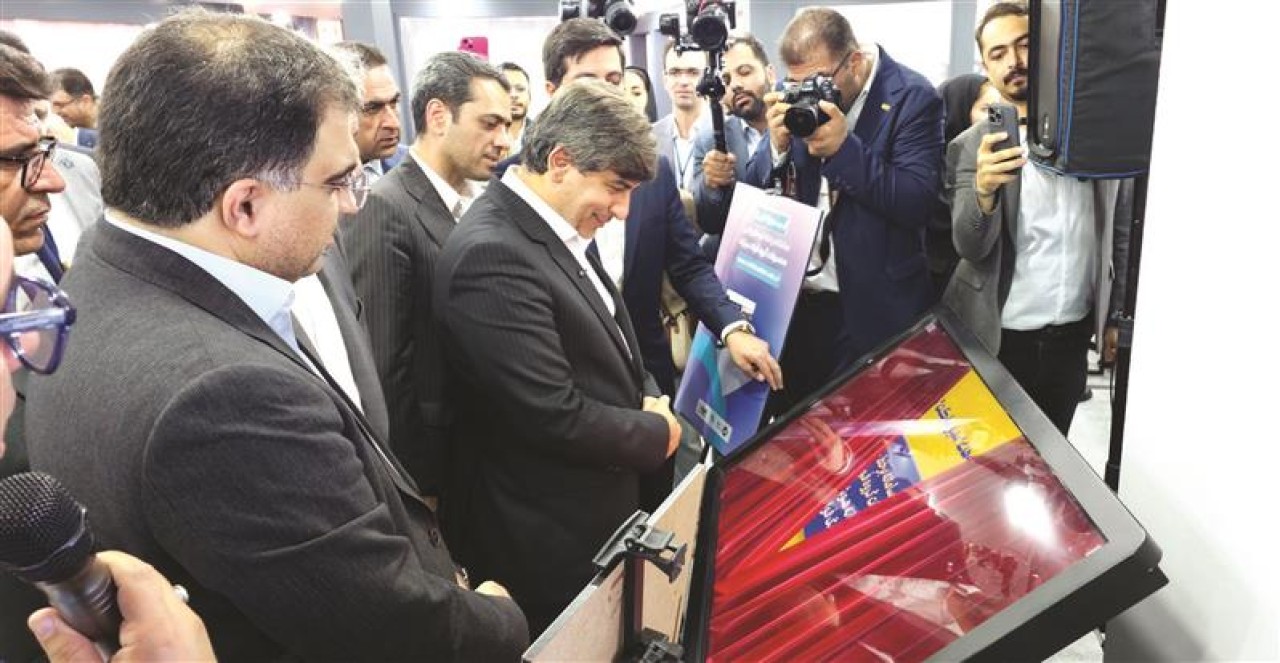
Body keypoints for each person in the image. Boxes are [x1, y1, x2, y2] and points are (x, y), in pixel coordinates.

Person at [25, 11, 527, 659]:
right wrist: (501, 618)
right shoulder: (223, 395)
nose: (352, 203)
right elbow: (382, 623)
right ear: (245, 205)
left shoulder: (102, 263)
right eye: (338, 181)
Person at [436, 79, 680, 636]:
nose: (623, 210)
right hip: (548, 540)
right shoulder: (492, 253)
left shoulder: (552, 228)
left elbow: (614, 337)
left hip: (596, 516)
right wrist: (656, 432)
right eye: (616, 188)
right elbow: (550, 413)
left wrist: (649, 394)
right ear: (561, 161)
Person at [745, 7, 943, 417]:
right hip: (799, 309)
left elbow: (916, 202)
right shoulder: (795, 93)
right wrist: (776, 148)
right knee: (802, 430)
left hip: (875, 311)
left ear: (854, 62)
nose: (806, 93)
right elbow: (754, 186)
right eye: (795, 83)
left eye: (818, 81)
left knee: (871, 433)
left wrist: (844, 150)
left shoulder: (911, 96)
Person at [943, 1, 1123, 435]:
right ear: (986, 67)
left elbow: (1119, 230)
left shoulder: (1097, 136)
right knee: (989, 457)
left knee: (1053, 450)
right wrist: (983, 191)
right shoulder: (971, 146)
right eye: (998, 53)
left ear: (1048, 49)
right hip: (999, 336)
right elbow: (969, 246)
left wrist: (1114, 315)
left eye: (1024, 45)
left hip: (1072, 337)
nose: (1014, 61)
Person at [343, 51, 512, 498]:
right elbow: (385, 366)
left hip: (488, 455)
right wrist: (418, 487)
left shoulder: (485, 198)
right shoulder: (386, 206)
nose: (504, 141)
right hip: (437, 467)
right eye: (490, 124)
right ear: (438, 116)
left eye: (508, 125)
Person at [689, 32, 775, 245]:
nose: (735, 85)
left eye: (744, 72)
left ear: (770, 74)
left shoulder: (800, 123)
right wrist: (710, 185)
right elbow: (708, 223)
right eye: (725, 80)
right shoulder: (710, 140)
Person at [928, 71, 998, 296]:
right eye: (987, 109)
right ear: (958, 108)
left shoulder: (996, 162)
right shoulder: (927, 166)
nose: (995, 119)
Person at [330, 41, 407, 184]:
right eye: (373, 108)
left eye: (394, 102)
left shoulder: (414, 168)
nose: (393, 123)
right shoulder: (306, 185)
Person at [653, 41, 708, 191]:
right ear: (665, 79)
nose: (683, 81)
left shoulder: (726, 133)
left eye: (693, 72)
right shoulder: (649, 137)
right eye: (675, 72)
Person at [498, 61, 532, 156]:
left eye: (520, 89)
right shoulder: (482, 135)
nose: (514, 95)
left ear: (529, 96)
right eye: (506, 89)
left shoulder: (543, 137)